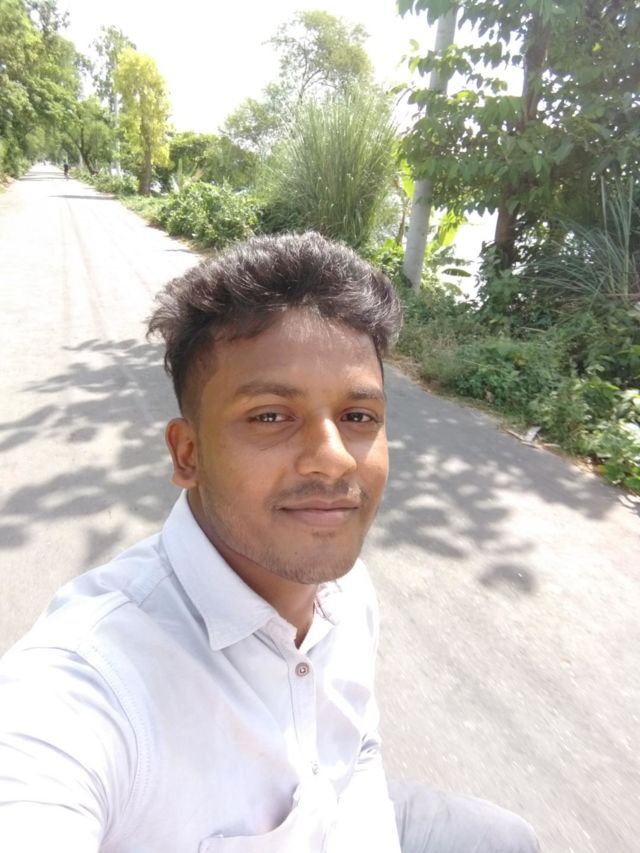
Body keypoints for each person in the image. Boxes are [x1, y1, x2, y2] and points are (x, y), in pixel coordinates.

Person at [0, 233, 539, 852]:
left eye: (358, 417)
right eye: (270, 416)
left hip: (333, 812)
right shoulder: (89, 683)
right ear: (188, 453)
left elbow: (356, 746)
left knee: (506, 838)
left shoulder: (345, 591)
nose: (334, 460)